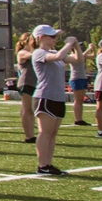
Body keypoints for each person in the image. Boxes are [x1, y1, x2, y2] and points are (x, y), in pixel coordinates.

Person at [30, 24, 80, 176]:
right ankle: (42, 165)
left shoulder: (55, 52)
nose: (55, 39)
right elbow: (58, 57)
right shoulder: (39, 53)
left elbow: (78, 60)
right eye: (52, 36)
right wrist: (68, 44)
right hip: (45, 96)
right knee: (45, 133)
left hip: (57, 97)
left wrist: (76, 46)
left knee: (52, 134)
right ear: (41, 38)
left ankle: (48, 164)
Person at [15, 32, 37, 143]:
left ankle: (31, 133)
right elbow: (34, 55)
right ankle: (29, 136)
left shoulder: (32, 51)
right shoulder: (22, 52)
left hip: (33, 83)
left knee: (29, 110)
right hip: (26, 82)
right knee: (27, 110)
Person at [68, 41, 91, 127]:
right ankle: (78, 119)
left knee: (81, 100)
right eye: (79, 46)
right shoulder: (71, 56)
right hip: (76, 78)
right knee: (77, 100)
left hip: (83, 78)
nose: (80, 47)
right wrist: (89, 49)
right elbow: (82, 57)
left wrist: (93, 49)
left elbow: (92, 56)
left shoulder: (81, 55)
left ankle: (80, 118)